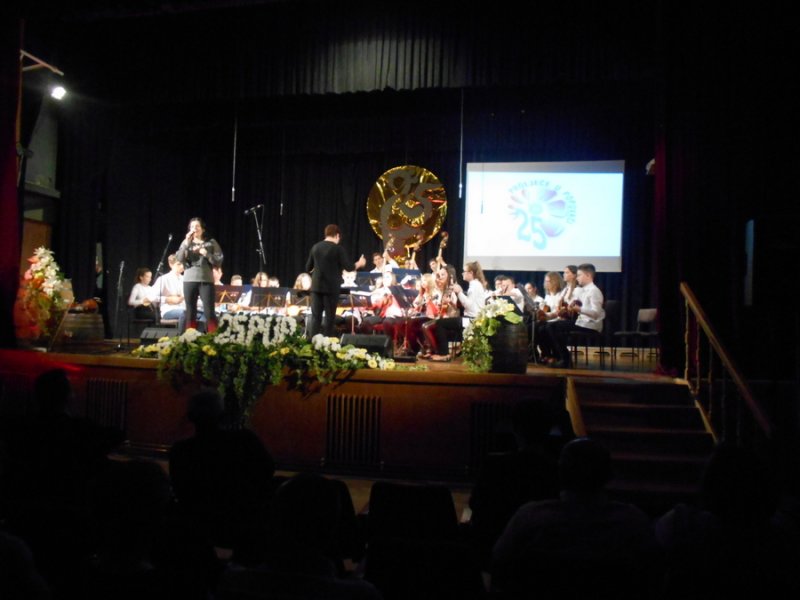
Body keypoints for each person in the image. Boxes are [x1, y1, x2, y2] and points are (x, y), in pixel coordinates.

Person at [305, 224, 366, 338]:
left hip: (316, 287)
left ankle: (312, 343)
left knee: (315, 317)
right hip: (331, 288)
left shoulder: (315, 247)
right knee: (329, 318)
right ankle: (326, 343)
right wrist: (360, 263)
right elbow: (349, 267)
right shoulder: (338, 249)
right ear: (337, 235)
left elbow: (308, 268)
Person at [545, 263, 605, 368]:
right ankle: (561, 357)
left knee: (554, 326)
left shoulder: (594, 291)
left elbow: (596, 313)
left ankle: (565, 359)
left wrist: (579, 309)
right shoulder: (582, 290)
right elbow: (577, 304)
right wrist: (572, 306)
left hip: (590, 325)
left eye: (579, 275)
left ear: (588, 275)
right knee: (552, 326)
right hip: (582, 322)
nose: (577, 278)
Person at [176, 217, 223, 333]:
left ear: (202, 229)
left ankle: (213, 337)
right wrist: (186, 243)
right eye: (192, 227)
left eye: (197, 226)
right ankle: (189, 337)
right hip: (189, 280)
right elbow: (179, 258)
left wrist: (206, 253)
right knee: (190, 311)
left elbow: (218, 260)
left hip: (206, 280)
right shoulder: (186, 242)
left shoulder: (211, 243)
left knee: (209, 312)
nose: (194, 229)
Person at [151, 254, 185, 324]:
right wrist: (168, 299)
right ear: (171, 264)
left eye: (183, 264)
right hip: (169, 310)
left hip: (184, 308)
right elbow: (151, 297)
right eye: (179, 264)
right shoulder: (163, 279)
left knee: (203, 314)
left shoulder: (185, 279)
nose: (182, 266)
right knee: (186, 314)